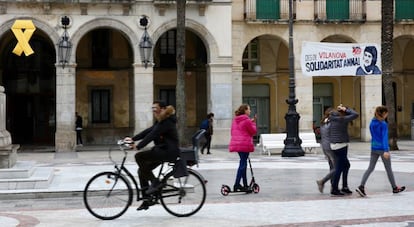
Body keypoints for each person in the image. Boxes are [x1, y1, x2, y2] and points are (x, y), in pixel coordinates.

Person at [124, 100, 180, 211]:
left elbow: (152, 135)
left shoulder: (167, 122)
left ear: (163, 109)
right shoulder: (161, 120)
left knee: (139, 157)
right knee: (142, 171)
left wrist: (138, 146)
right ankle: (147, 199)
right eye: (152, 108)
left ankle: (155, 182)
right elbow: (148, 131)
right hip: (162, 150)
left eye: (156, 108)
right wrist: (132, 139)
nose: (154, 111)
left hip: (168, 152)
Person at [356, 106, 406, 197]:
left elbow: (373, 135)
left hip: (374, 148)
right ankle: (394, 188)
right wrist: (386, 150)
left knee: (370, 168)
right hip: (382, 149)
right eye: (386, 113)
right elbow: (384, 138)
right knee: (388, 169)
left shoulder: (372, 122)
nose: (387, 115)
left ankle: (361, 186)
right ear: (383, 113)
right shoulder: (383, 124)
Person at [329, 104, 359, 196]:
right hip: (341, 145)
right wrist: (346, 109)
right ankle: (335, 188)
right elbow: (355, 114)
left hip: (334, 145)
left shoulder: (332, 119)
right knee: (339, 167)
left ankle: (344, 186)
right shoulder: (342, 119)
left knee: (346, 165)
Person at [229, 104, 257, 192]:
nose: (250, 111)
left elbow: (237, 130)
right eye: (249, 109)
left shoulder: (235, 120)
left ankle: (244, 184)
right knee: (243, 164)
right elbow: (253, 131)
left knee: (243, 163)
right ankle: (236, 184)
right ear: (245, 110)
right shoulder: (247, 120)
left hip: (237, 144)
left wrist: (250, 122)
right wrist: (253, 122)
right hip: (244, 144)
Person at [316, 107, 336, 193]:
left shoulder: (323, 122)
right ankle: (322, 181)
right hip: (330, 147)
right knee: (338, 167)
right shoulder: (330, 123)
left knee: (332, 167)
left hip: (324, 147)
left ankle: (333, 186)